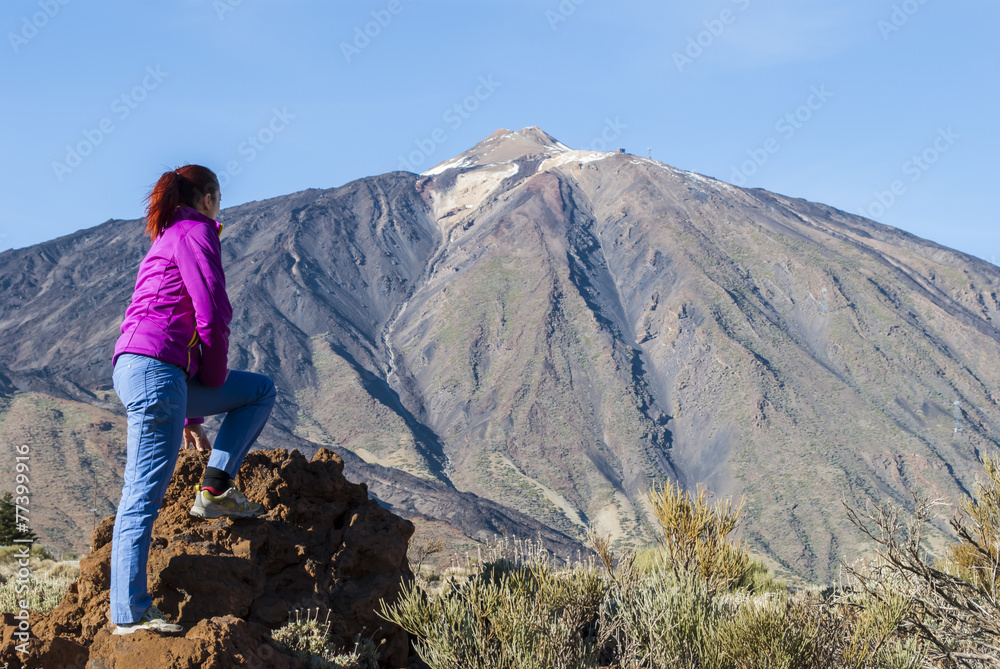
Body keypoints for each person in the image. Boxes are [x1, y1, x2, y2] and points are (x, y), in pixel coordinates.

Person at [109, 165, 277, 635]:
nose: (220, 209)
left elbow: (173, 324)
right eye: (219, 200)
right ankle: (129, 613)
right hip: (155, 371)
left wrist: (192, 415)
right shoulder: (195, 232)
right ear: (208, 198)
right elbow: (212, 316)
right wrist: (212, 379)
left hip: (147, 369)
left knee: (259, 390)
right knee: (141, 494)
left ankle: (216, 489)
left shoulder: (168, 236)